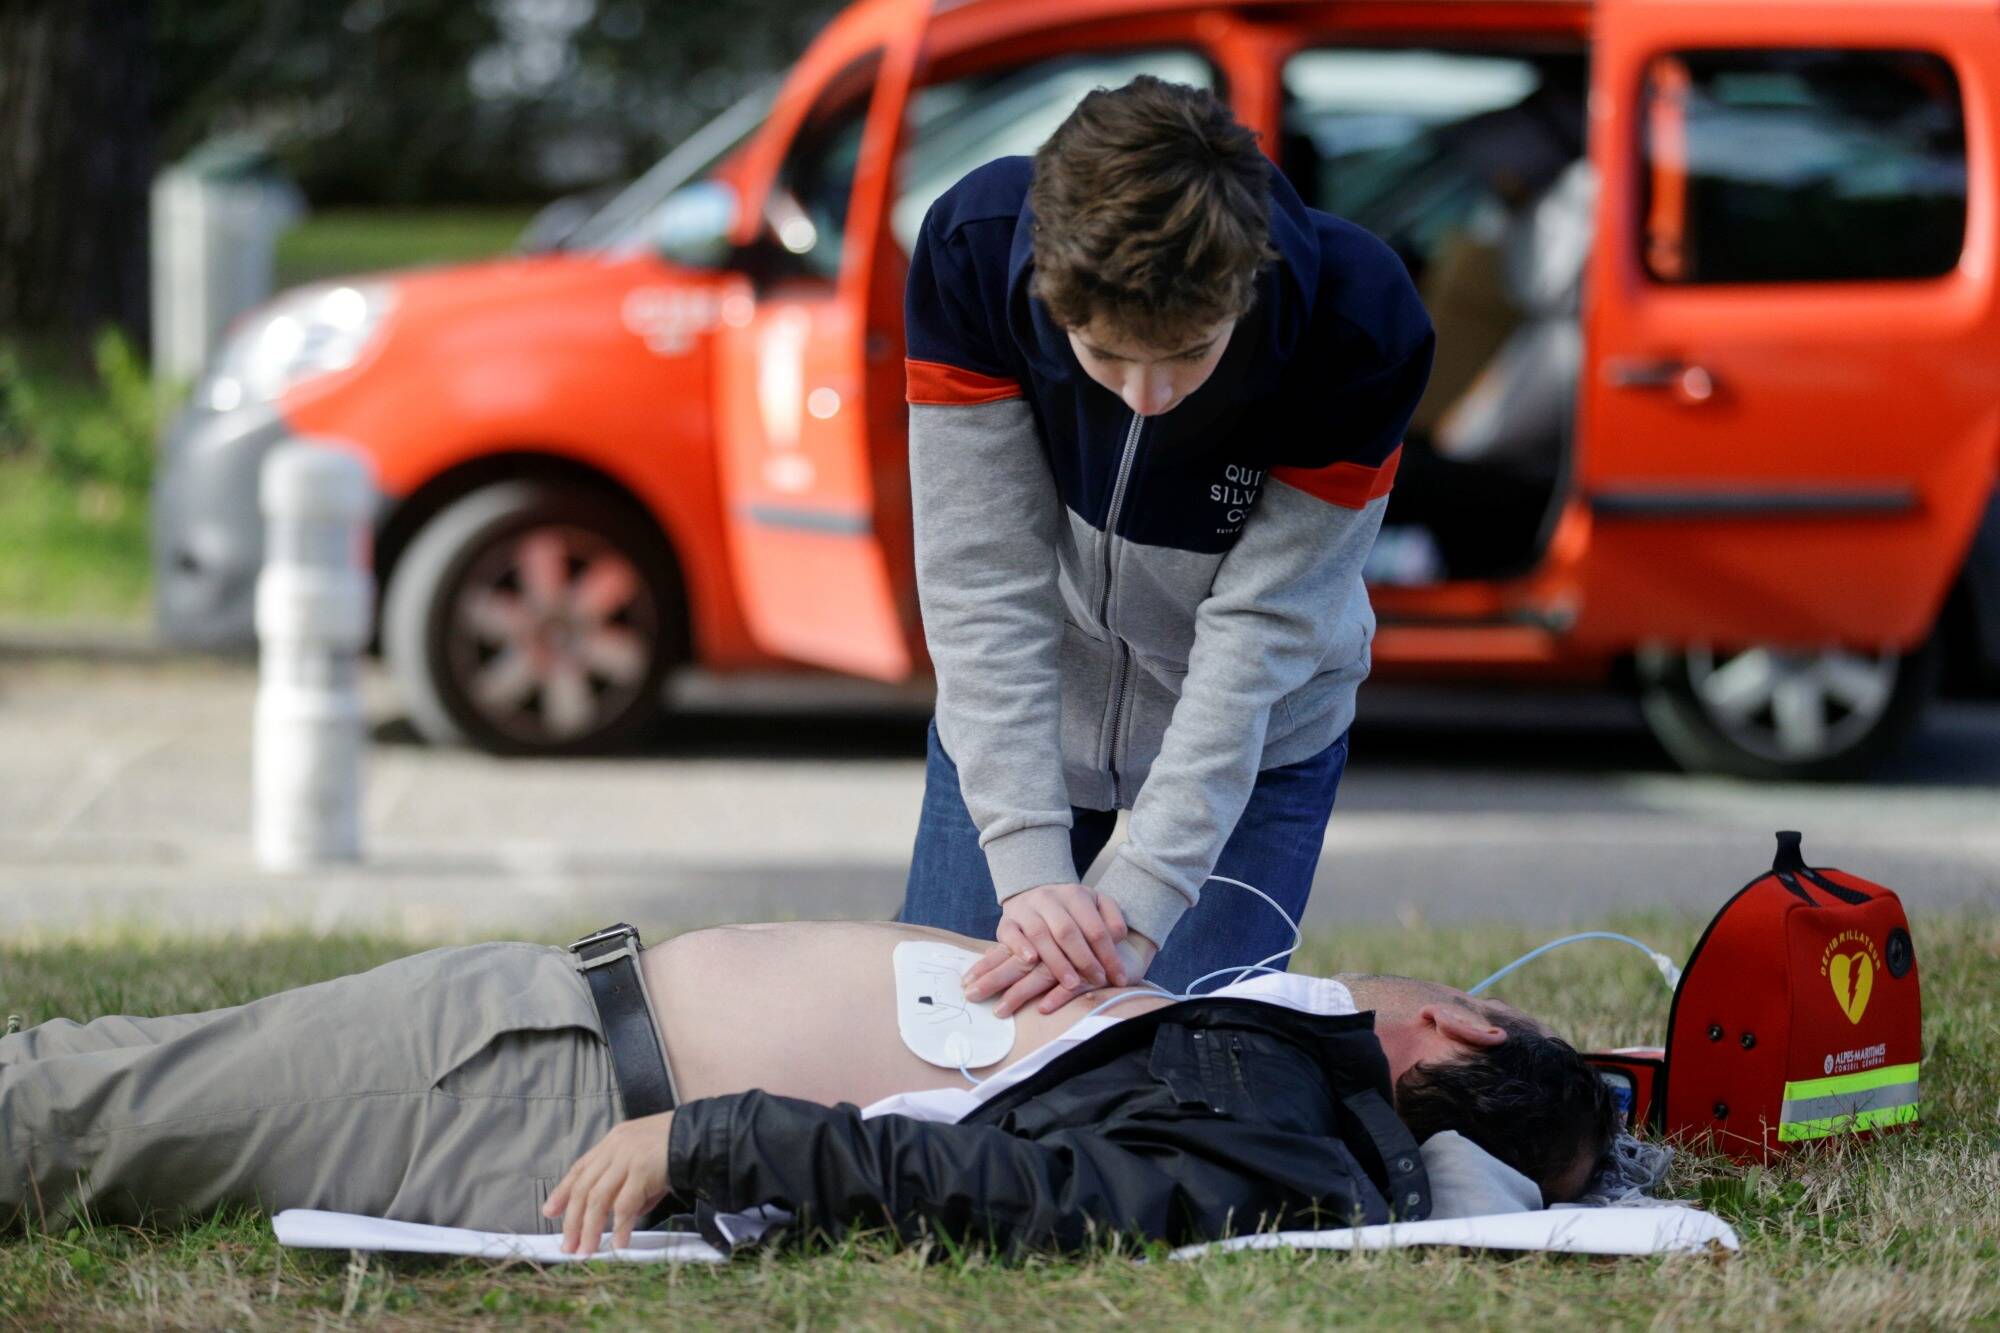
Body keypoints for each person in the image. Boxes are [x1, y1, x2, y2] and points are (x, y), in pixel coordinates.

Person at [2, 919, 1613, 1257]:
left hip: (543, 1092)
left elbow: (1025, 1195)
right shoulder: (1266, 1067)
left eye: (1455, 994)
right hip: (558, 1025)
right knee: (107, 1075)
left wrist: (710, 1136)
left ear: (1455, 1038)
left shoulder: (1288, 1131)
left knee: (80, 1114)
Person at [896, 75, 1437, 1019]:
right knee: (936, 1051)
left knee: (1178, 1086)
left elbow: (1258, 635)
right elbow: (986, 580)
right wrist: (1026, 868)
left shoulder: (1361, 330)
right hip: (1030, 724)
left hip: (1259, 740)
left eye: (1191, 353)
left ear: (1249, 278)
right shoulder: (972, 257)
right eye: (1104, 358)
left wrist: (1139, 902)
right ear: (1047, 286)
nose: (1148, 396)